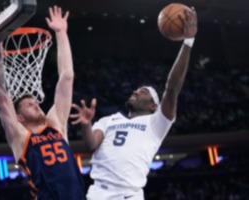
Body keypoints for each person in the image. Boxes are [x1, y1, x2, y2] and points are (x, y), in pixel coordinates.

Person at [70, 7, 198, 200]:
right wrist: (86, 124)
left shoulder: (157, 123)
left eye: (144, 91)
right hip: (98, 194)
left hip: (128, 196)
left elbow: (172, 88)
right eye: (137, 90)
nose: (136, 91)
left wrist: (188, 42)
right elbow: (90, 144)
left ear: (153, 106)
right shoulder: (108, 120)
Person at [0, 6, 85, 200]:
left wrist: (61, 33)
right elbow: (1, 96)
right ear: (19, 117)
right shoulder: (20, 137)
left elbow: (67, 77)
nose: (35, 104)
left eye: (35, 101)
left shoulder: (56, 125)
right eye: (28, 104)